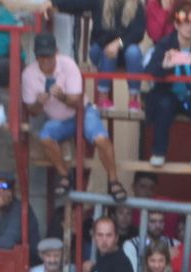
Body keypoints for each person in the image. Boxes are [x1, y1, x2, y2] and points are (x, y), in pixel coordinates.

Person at [25, 32, 123, 200]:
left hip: (82, 112)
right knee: (45, 137)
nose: (46, 60)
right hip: (59, 120)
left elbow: (77, 102)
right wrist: (40, 103)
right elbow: (32, 111)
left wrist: (62, 96)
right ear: (36, 56)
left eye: (49, 56)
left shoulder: (68, 64)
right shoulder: (29, 74)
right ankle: (64, 175)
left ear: (56, 52)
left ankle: (114, 181)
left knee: (101, 139)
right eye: (41, 56)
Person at [145, 0, 191, 167]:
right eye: (184, 23)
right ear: (176, 24)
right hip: (169, 94)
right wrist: (165, 66)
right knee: (164, 104)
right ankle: (158, 152)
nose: (189, 27)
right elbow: (151, 70)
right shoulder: (165, 43)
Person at [68, 0, 145, 110]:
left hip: (124, 52)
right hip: (100, 48)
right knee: (108, 51)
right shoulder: (100, 2)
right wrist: (53, 3)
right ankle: (102, 97)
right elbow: (77, 3)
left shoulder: (137, 5)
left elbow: (138, 33)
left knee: (134, 52)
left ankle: (133, 100)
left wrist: (119, 43)